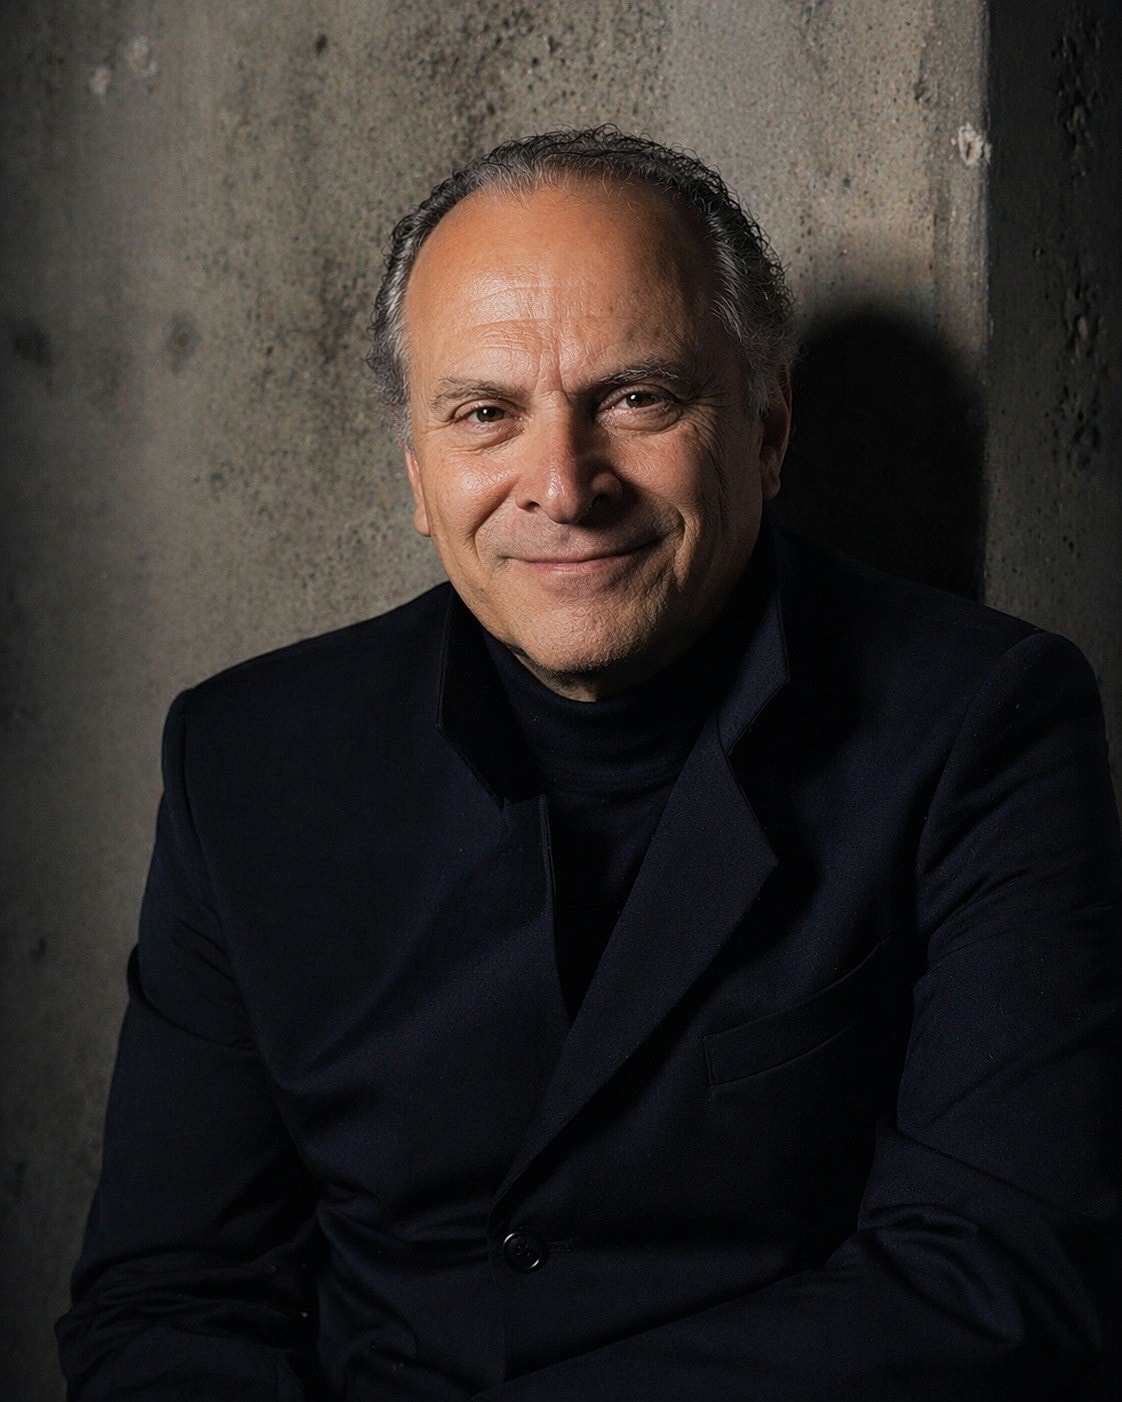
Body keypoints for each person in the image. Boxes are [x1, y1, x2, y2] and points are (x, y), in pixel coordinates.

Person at [58, 128, 1120, 1401]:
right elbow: (169, 1300)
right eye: (484, 414)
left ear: (769, 427)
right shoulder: (247, 758)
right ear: (416, 468)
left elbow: (996, 1287)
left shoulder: (981, 723)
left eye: (638, 397)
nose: (561, 484)